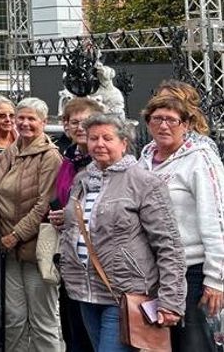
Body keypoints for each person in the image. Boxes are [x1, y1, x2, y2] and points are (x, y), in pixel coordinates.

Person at [59, 114, 185, 351]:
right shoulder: (82, 180)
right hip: (85, 292)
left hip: (125, 294)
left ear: (123, 143)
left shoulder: (144, 182)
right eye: (93, 138)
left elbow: (168, 244)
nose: (99, 144)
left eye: (107, 138)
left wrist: (171, 300)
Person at [137, 93, 224, 351]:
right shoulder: (144, 161)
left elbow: (216, 218)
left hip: (193, 271)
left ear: (185, 124)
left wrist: (216, 279)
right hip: (155, 271)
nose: (164, 126)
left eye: (171, 120)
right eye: (157, 119)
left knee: (194, 345)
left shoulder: (199, 159)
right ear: (148, 123)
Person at [0, 97, 63, 352]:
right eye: (21, 118)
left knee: (43, 320)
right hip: (8, 249)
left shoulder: (50, 156)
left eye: (32, 118)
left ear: (44, 122)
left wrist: (16, 235)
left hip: (35, 250)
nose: (25, 123)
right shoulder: (12, 150)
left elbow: (44, 204)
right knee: (14, 319)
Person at [48, 97, 105, 352]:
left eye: (86, 121)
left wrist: (71, 215)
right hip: (70, 254)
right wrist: (58, 214)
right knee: (73, 329)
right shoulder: (68, 159)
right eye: (74, 122)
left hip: (99, 259)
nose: (80, 127)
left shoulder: (104, 161)